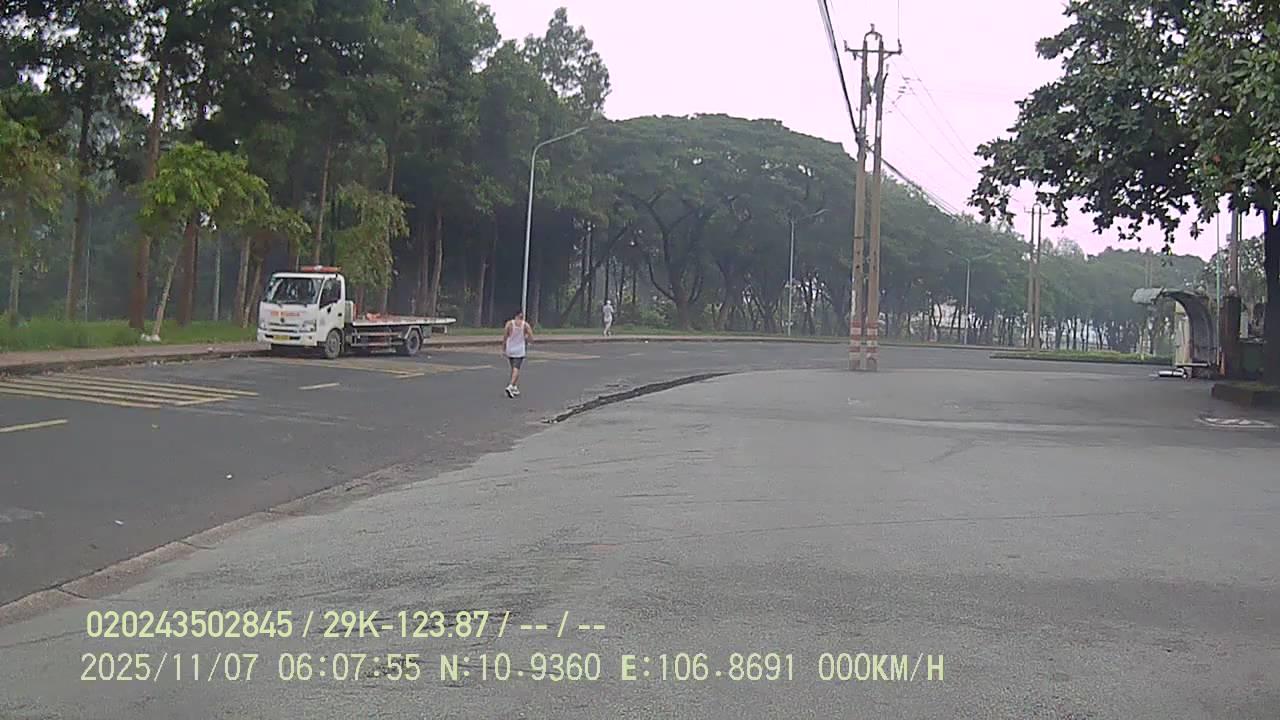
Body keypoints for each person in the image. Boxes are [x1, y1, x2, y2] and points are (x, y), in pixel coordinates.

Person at [502, 310, 533, 398]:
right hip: (519, 350)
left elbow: (505, 336)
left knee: (513, 368)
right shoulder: (525, 325)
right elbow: (531, 337)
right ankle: (510, 386)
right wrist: (527, 339)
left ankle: (515, 387)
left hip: (510, 348)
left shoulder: (509, 324)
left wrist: (504, 347)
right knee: (516, 368)